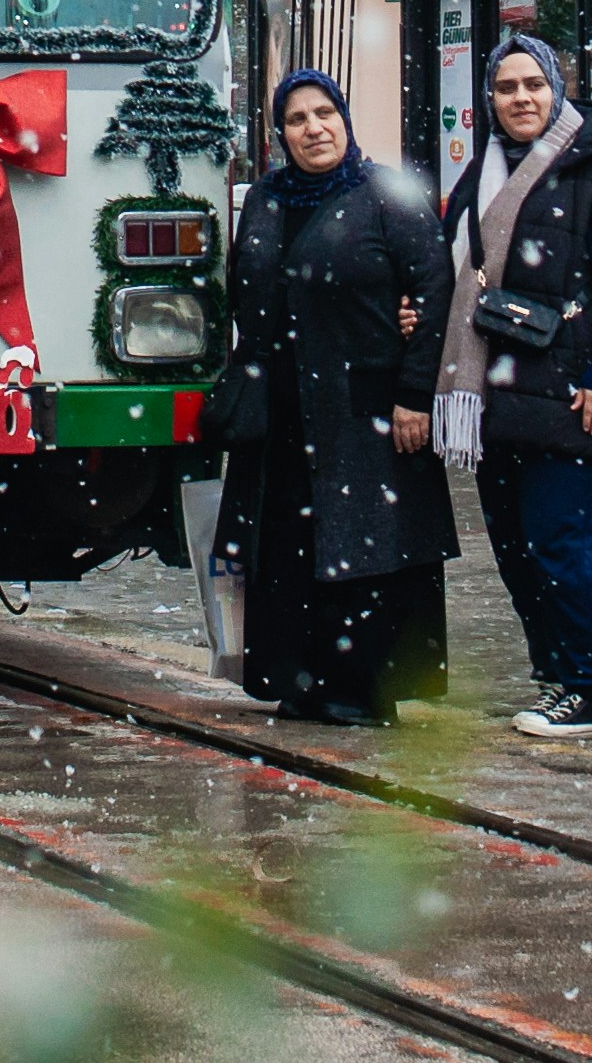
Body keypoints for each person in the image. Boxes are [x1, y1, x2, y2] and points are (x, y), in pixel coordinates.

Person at [211, 69, 456, 725]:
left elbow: (434, 293)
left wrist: (414, 395)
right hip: (283, 411)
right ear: (279, 133)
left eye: (324, 113)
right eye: (296, 119)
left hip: (365, 407)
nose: (313, 128)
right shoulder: (265, 198)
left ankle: (360, 689)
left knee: (365, 552)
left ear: (343, 119)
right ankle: (300, 681)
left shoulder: (385, 195)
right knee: (289, 550)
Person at [436, 31, 592, 739]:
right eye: (506, 88)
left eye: (533, 85)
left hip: (571, 393)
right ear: (489, 103)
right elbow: (452, 271)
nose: (520, 98)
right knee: (515, 548)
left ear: (556, 91)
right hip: (500, 396)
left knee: (561, 544)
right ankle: (556, 674)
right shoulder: (481, 175)